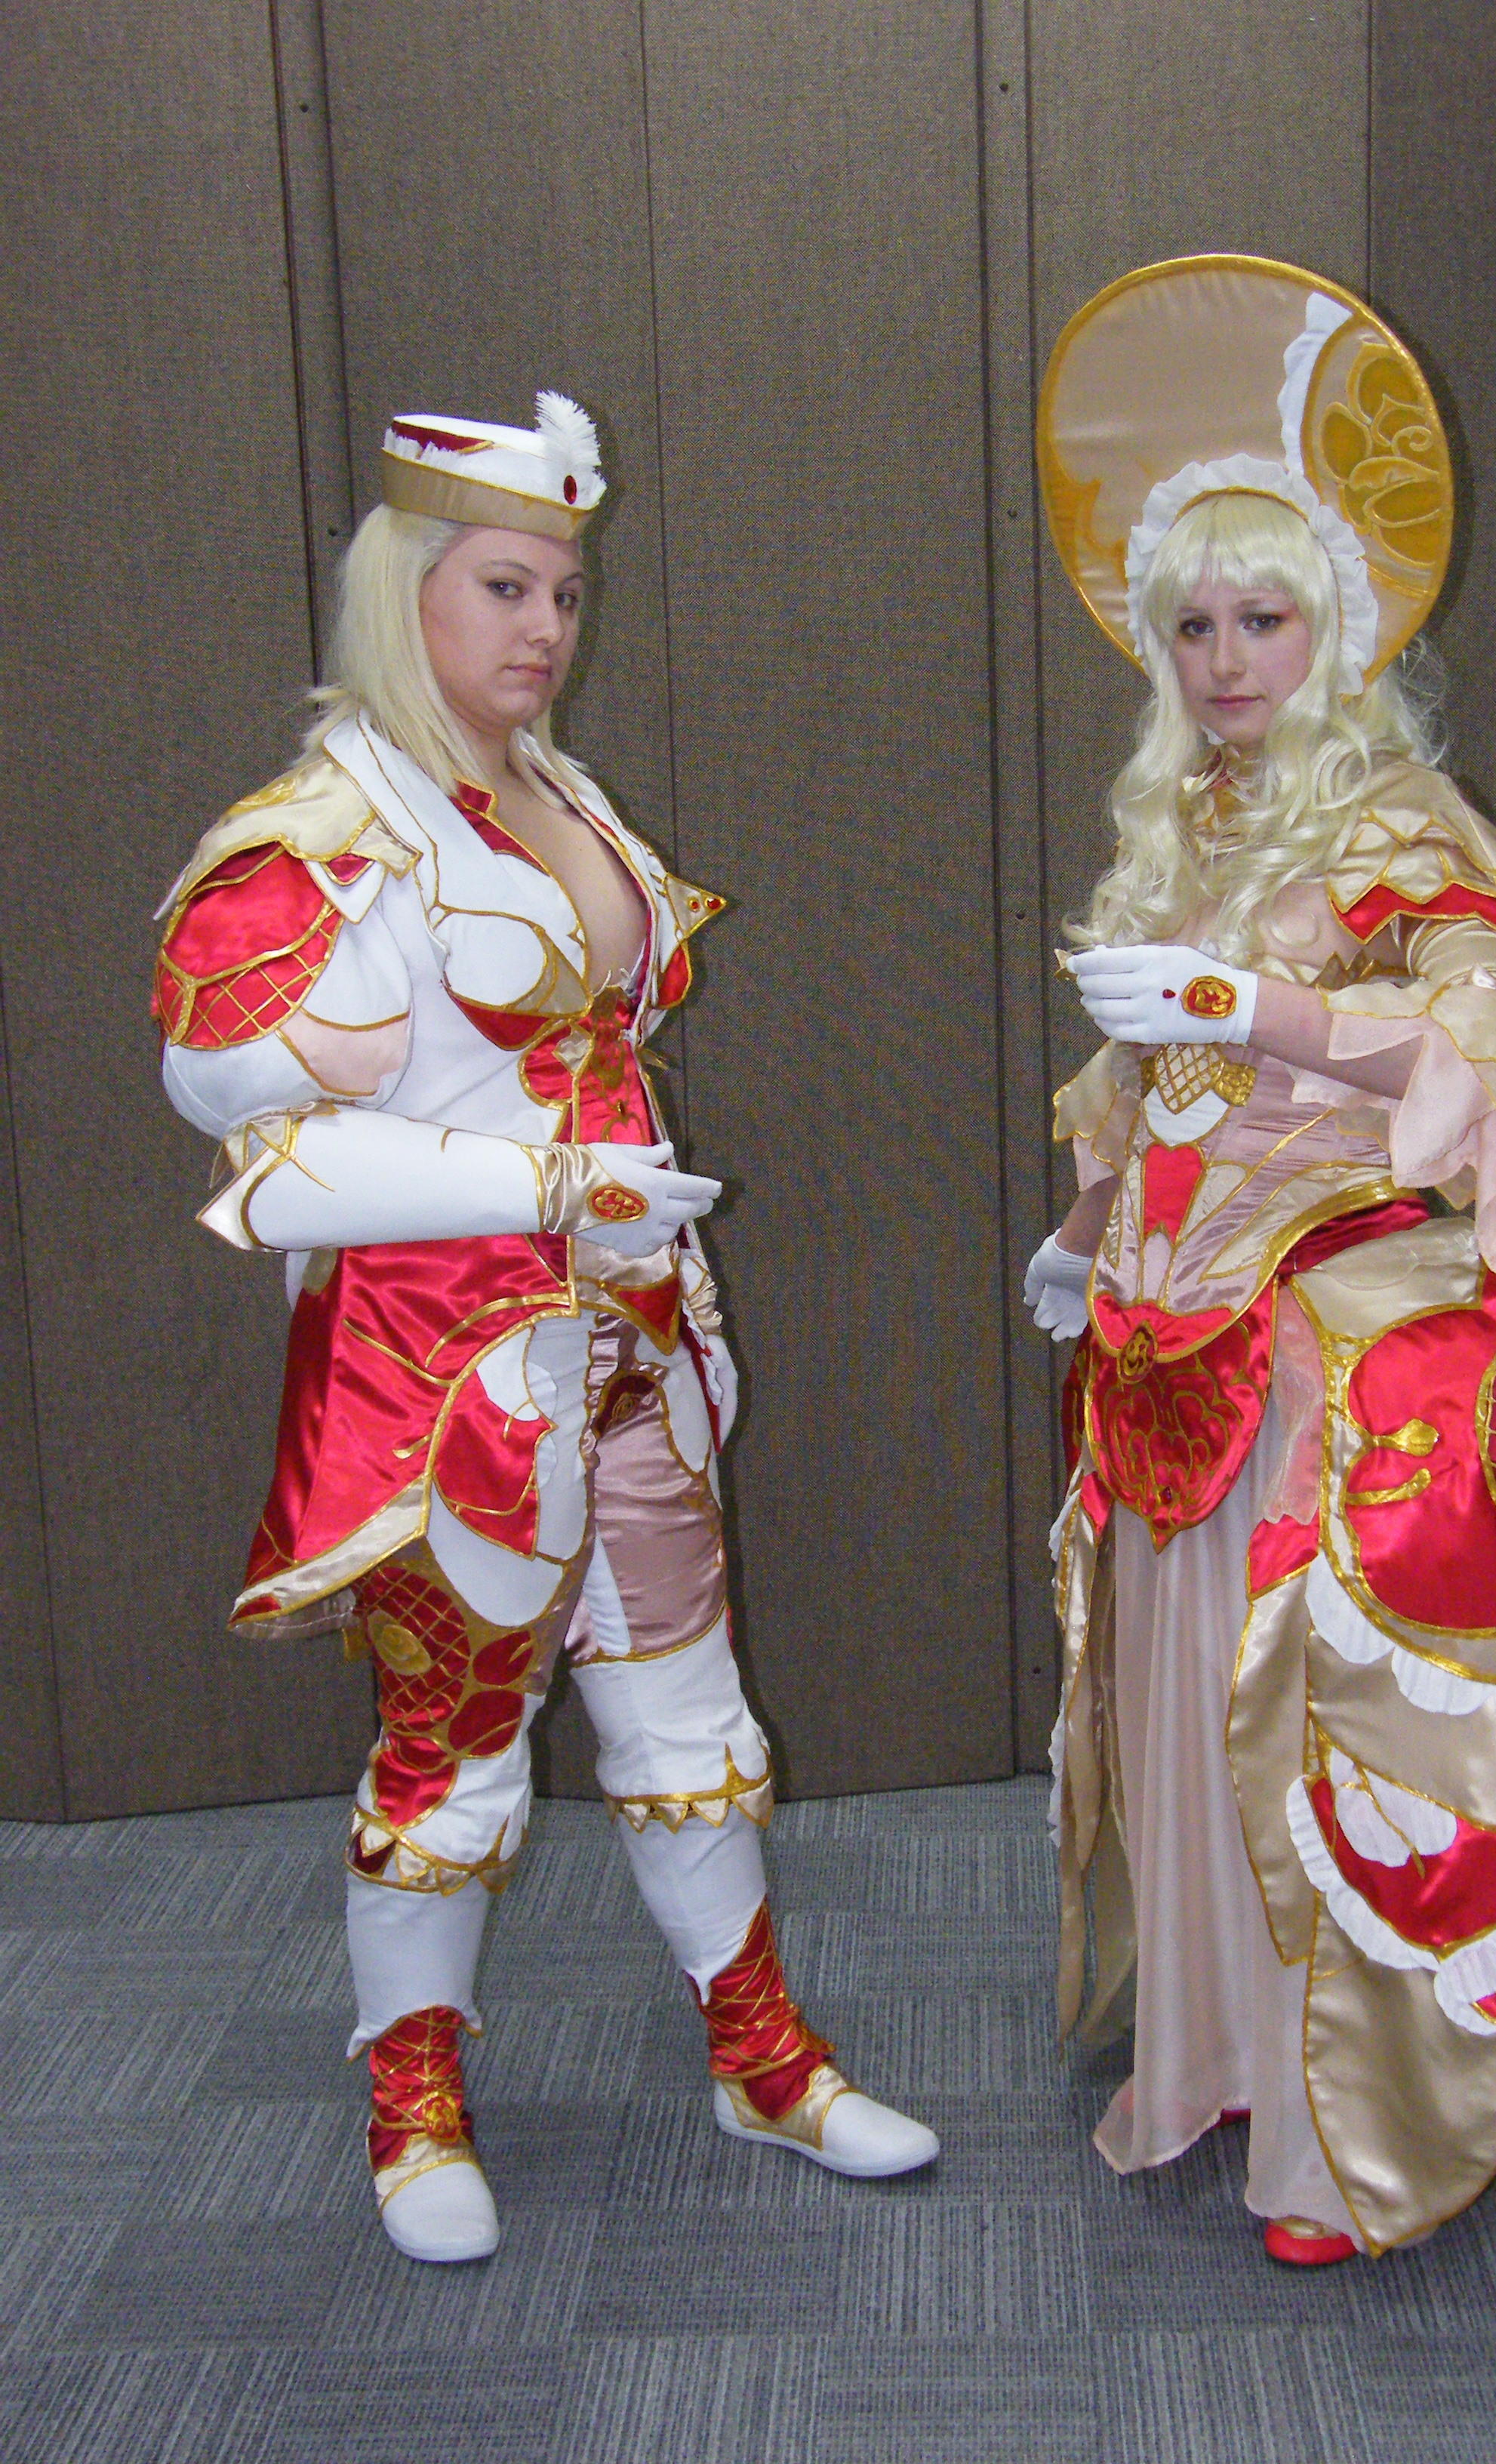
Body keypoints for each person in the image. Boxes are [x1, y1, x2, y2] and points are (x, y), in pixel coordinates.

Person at [1024, 259, 1496, 2265]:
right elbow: (1144, 1094)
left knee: (1318, 1712)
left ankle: (1335, 2133)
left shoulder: (1403, 818)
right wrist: (1083, 1234)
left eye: (1264, 618)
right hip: (1167, 1336)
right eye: (1193, 626)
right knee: (1192, 1710)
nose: (1226, 660)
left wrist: (1257, 1008)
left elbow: (1486, 1053)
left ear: (1337, 629)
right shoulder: (1175, 831)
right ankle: (1210, 2050)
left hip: (1332, 1337)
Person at [156, 393, 937, 2263]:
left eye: (566, 594)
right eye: (505, 587)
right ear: (404, 591)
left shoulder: (556, 795)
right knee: (452, 1751)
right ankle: (412, 2107)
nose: (545, 629)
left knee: (687, 1713)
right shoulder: (322, 837)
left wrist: (604, 1217)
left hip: (636, 1336)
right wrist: (542, 1189)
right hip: (445, 1371)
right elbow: (259, 1155)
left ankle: (761, 2057)